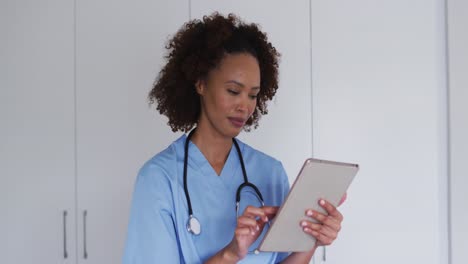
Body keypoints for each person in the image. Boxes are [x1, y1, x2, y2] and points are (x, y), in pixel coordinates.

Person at [123, 12, 345, 264]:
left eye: (252, 95)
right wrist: (231, 254)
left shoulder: (270, 173)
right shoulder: (159, 179)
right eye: (233, 91)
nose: (244, 106)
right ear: (201, 84)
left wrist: (312, 240)